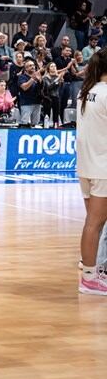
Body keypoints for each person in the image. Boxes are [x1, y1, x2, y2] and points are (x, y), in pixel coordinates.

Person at [77, 50, 107, 294]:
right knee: (95, 224)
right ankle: (89, 277)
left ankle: (91, 270)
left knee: (93, 224)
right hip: (103, 167)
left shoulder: (85, 91)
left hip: (86, 166)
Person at [16, 59, 43, 126]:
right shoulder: (22, 77)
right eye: (30, 66)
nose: (33, 67)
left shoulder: (38, 76)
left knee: (36, 123)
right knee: (25, 123)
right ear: (25, 69)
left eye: (33, 65)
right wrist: (32, 79)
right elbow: (24, 87)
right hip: (26, 103)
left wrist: (40, 81)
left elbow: (42, 89)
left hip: (37, 102)